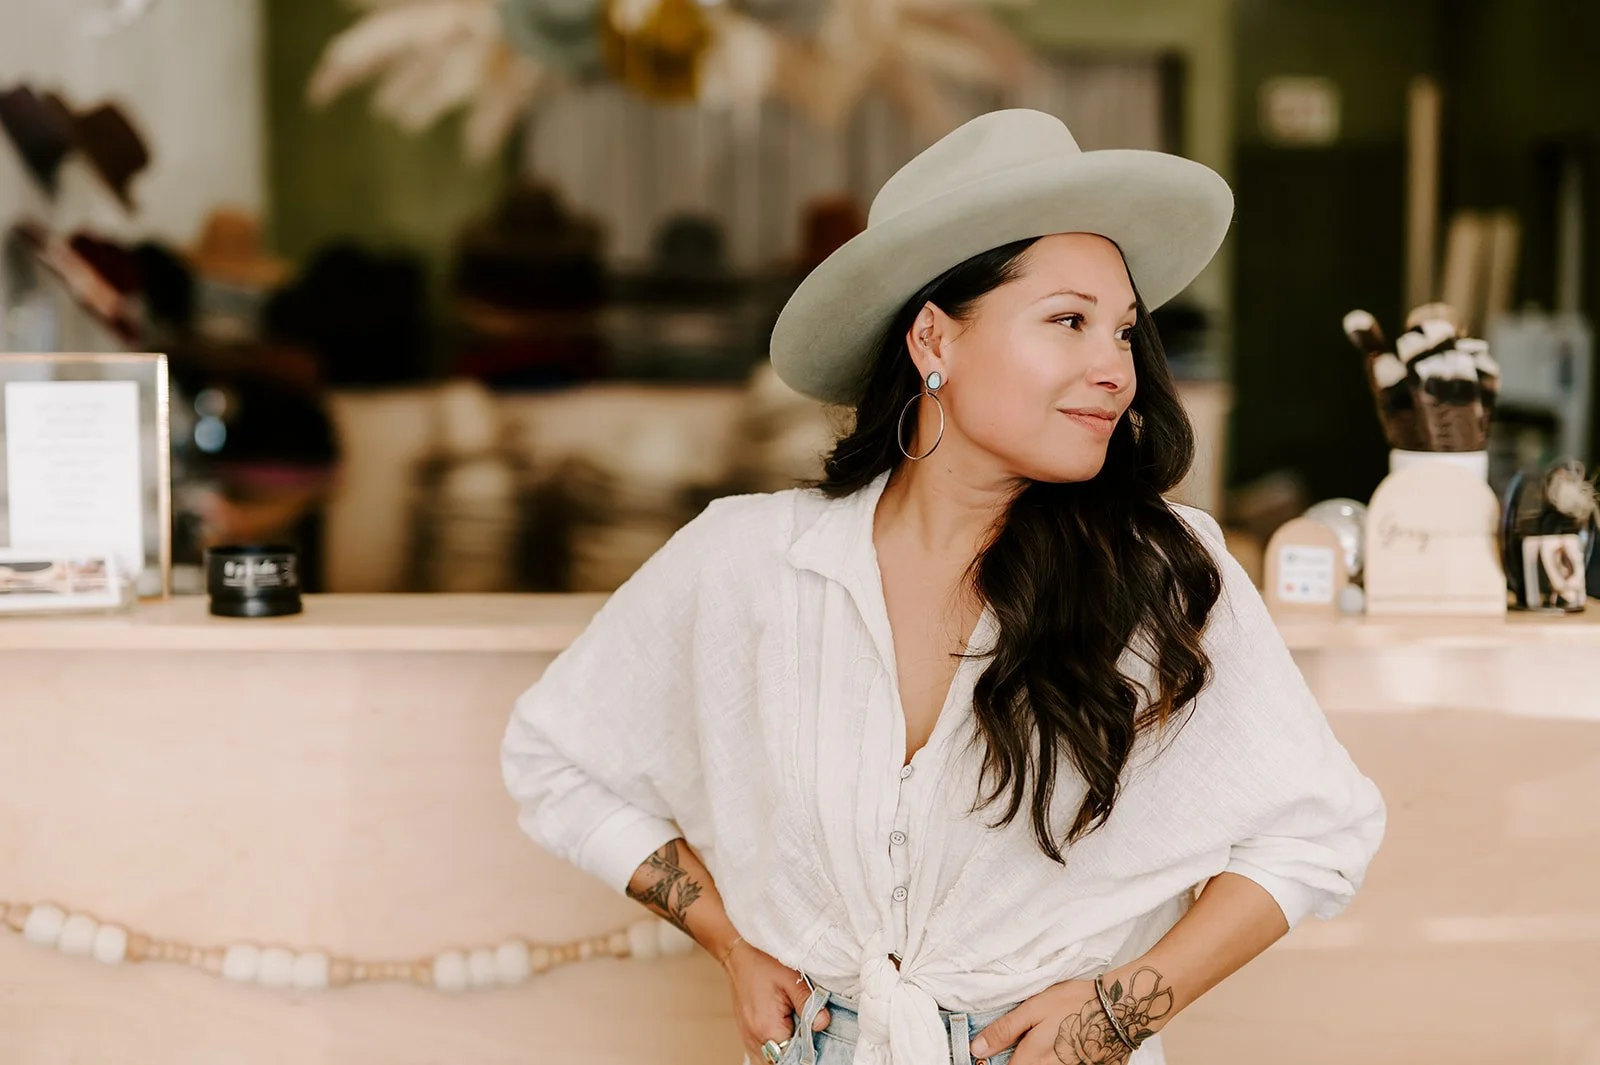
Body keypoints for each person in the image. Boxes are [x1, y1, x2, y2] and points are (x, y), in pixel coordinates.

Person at [501, 109, 1385, 1065]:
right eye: (1068, 321)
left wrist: (1121, 1010)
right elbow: (558, 760)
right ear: (934, 338)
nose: (1114, 371)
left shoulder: (1161, 572)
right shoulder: (751, 559)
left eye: (1125, 332)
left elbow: (1317, 832)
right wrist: (729, 939)